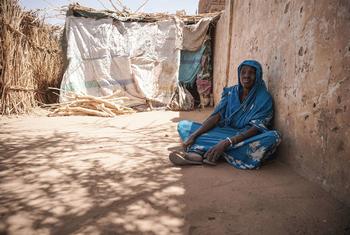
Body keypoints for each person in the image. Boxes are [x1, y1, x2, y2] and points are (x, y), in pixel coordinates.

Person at [169, 60, 281, 169]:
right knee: (184, 125)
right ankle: (213, 153)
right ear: (239, 74)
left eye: (251, 73)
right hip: (225, 131)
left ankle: (201, 151)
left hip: (246, 137)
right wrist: (194, 135)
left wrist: (228, 142)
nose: (246, 76)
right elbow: (216, 117)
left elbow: (256, 129)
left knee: (273, 137)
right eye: (243, 72)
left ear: (258, 76)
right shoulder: (231, 92)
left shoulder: (264, 99)